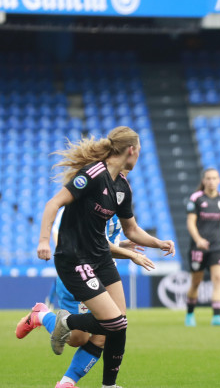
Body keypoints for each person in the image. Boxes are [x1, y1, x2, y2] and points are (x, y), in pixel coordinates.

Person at [36, 126, 175, 388]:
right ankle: (63, 321)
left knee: (118, 325)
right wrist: (44, 240)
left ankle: (108, 385)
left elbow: (131, 229)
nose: (139, 157)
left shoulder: (122, 186)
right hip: (74, 258)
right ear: (131, 150)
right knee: (109, 322)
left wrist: (158, 243)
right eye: (139, 152)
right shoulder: (92, 174)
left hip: (100, 257)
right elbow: (52, 204)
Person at [18, 208, 155, 388]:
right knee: (77, 340)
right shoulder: (73, 206)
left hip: (104, 276)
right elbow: (64, 242)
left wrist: (120, 247)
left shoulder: (112, 204)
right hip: (78, 277)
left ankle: (67, 382)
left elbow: (100, 242)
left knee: (106, 332)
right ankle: (41, 315)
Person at [184, 168, 220, 327]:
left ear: (219, 180)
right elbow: (190, 222)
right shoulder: (196, 198)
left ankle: (217, 316)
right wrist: (198, 239)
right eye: (208, 178)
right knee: (196, 282)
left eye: (214, 178)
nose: (211, 181)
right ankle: (190, 313)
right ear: (203, 181)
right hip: (198, 248)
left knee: (218, 279)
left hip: (217, 247)